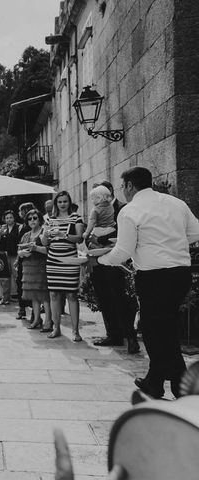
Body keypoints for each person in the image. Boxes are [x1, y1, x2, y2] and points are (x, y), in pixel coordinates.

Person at [90, 167, 199, 398]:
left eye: (123, 187)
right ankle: (155, 382)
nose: (123, 191)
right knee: (165, 327)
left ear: (130, 185)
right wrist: (172, 244)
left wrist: (99, 259)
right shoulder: (175, 203)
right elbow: (196, 231)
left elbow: (123, 250)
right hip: (180, 273)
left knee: (153, 330)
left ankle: (181, 386)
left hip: (154, 277)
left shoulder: (131, 210)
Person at [88, 181, 139, 354]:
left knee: (121, 300)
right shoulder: (96, 209)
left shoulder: (123, 208)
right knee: (104, 298)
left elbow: (124, 232)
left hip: (118, 262)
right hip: (98, 261)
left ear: (109, 193)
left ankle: (130, 337)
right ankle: (113, 335)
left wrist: (99, 239)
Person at [42, 191, 84, 341]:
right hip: (53, 261)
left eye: (65, 201)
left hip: (70, 261)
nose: (62, 204)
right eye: (59, 202)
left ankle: (75, 331)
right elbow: (45, 243)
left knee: (72, 294)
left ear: (69, 202)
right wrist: (46, 235)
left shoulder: (76, 218)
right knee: (53, 295)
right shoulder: (50, 219)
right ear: (56, 204)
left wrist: (63, 235)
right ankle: (56, 328)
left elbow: (79, 239)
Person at [18, 209, 51, 330]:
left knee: (44, 296)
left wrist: (36, 248)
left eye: (35, 218)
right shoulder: (26, 235)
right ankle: (37, 319)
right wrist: (21, 253)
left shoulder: (44, 232)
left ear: (40, 219)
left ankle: (48, 321)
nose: (32, 220)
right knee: (33, 296)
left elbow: (48, 249)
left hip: (41, 266)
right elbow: (19, 250)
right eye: (29, 219)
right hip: (28, 268)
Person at [0, 210, 25, 308]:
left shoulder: (19, 227)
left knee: (17, 276)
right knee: (4, 277)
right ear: (4, 219)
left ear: (14, 218)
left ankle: (21, 296)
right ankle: (5, 298)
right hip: (4, 255)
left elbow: (21, 240)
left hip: (15, 255)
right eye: (7, 218)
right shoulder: (2, 228)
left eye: (11, 217)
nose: (9, 219)